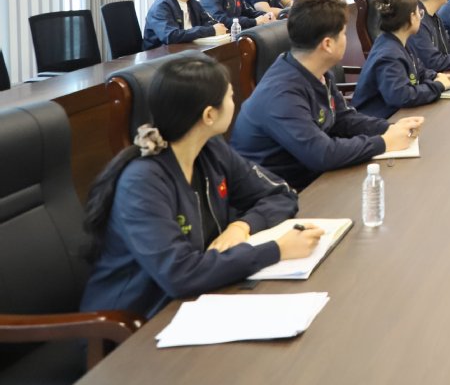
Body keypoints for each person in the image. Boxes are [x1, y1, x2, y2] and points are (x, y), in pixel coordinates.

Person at [79, 54, 320, 319]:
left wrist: (242, 226)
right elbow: (180, 274)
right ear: (209, 115)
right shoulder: (142, 182)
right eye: (230, 96)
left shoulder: (210, 150)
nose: (235, 103)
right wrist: (277, 250)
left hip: (197, 300)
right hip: (135, 322)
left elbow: (280, 194)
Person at [229, 0, 424, 189]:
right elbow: (322, 154)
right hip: (282, 194)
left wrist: (390, 128)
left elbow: (344, 119)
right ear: (328, 44)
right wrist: (384, 142)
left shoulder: (317, 72)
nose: (346, 39)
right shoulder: (281, 94)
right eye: (344, 34)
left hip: (314, 180)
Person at [352, 0, 450, 119]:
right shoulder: (388, 54)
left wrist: (435, 76)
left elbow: (419, 70)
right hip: (379, 120)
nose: (420, 18)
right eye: (420, 13)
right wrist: (438, 86)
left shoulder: (399, 42)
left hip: (396, 114)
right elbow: (401, 96)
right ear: (411, 17)